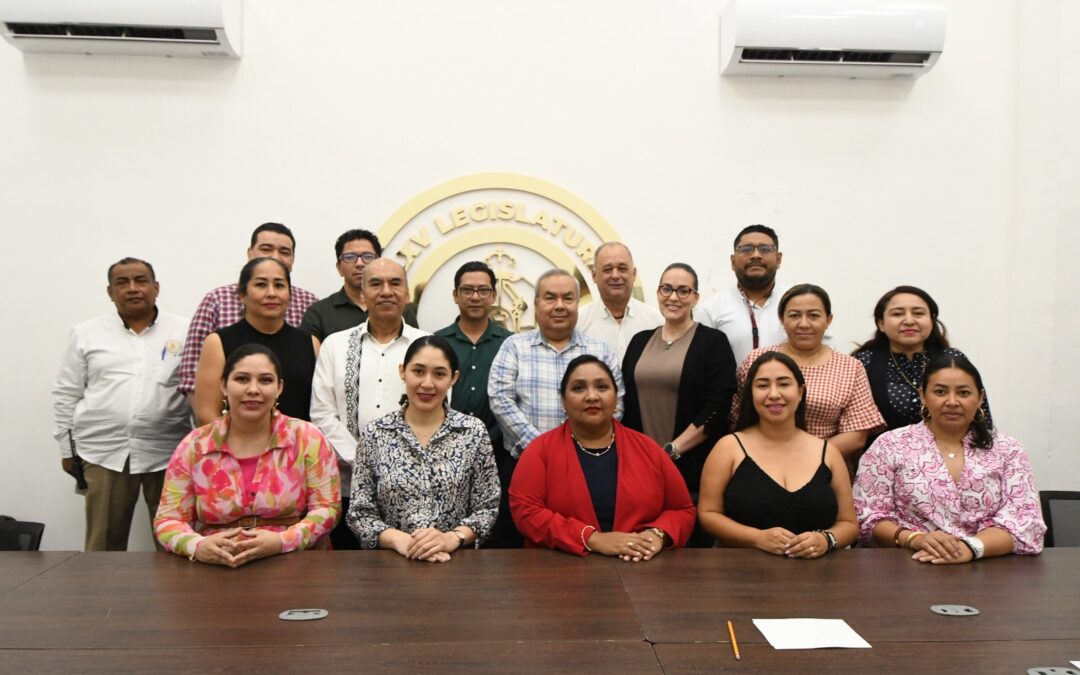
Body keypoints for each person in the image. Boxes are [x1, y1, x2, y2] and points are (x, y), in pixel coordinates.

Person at [155, 344, 340, 566]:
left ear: (279, 387)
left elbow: (328, 509)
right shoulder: (194, 445)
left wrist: (283, 541)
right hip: (216, 566)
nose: (253, 389)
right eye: (242, 379)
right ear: (223, 385)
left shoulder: (307, 439)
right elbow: (168, 519)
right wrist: (197, 545)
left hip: (295, 563)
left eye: (265, 380)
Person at [52, 257, 191, 551]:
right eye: (122, 282)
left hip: (169, 453)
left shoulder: (185, 330)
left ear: (156, 287)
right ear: (109, 291)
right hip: (104, 452)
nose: (132, 288)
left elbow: (198, 389)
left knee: (176, 545)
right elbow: (67, 393)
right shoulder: (86, 333)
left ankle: (178, 599)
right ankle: (100, 599)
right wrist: (68, 450)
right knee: (103, 547)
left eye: (141, 281)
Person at [854, 353, 1045, 562]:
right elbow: (868, 517)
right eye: (940, 392)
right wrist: (914, 539)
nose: (952, 401)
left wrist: (971, 547)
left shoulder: (1008, 450)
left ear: (980, 397)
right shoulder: (889, 445)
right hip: (907, 566)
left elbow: (1025, 521)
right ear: (923, 396)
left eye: (963, 393)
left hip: (988, 568)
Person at [509, 355, 696, 558]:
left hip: (640, 567)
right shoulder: (539, 451)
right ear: (563, 401)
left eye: (602, 387)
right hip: (562, 571)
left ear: (616, 399)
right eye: (579, 388)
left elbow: (681, 510)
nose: (592, 396)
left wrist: (656, 536)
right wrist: (593, 539)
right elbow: (526, 513)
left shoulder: (648, 449)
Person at [310, 258, 429, 549]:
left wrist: (394, 468)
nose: (386, 291)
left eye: (395, 283)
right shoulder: (335, 345)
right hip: (347, 487)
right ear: (362, 295)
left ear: (407, 294)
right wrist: (363, 461)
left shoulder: (428, 345)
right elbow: (322, 413)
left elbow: (436, 413)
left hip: (411, 490)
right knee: (350, 581)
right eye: (376, 284)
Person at [349, 336, 500, 561]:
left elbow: (488, 508)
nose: (427, 383)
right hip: (390, 564)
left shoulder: (473, 432)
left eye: (439, 374)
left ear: (453, 378)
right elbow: (359, 513)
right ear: (403, 372)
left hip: (457, 563)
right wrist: (401, 541)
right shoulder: (375, 434)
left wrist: (452, 538)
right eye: (418, 371)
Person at [698, 352, 858, 558]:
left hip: (818, 578)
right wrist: (756, 538)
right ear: (751, 393)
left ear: (800, 392)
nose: (773, 394)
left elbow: (849, 524)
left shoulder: (827, 452)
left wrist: (826, 539)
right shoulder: (729, 447)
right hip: (740, 576)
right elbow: (708, 515)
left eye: (783, 384)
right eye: (763, 385)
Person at [621, 263, 737, 500]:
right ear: (657, 293)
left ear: (695, 297)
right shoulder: (639, 341)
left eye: (683, 291)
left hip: (692, 469)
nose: (673, 297)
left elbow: (717, 408)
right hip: (639, 466)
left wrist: (671, 451)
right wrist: (640, 455)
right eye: (666, 289)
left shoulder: (713, 342)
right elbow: (625, 401)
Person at [735, 284, 884, 460]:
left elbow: (856, 435)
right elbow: (737, 417)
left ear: (828, 320)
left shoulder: (850, 367)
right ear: (782, 319)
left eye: (813, 315)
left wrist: (804, 458)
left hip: (824, 464)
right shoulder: (757, 359)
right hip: (759, 459)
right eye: (794, 315)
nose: (803, 324)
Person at [176, 223, 318, 402]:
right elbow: (191, 378)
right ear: (250, 253)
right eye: (266, 249)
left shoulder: (310, 303)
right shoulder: (216, 300)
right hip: (230, 421)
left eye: (284, 251)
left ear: (293, 259)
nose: (275, 256)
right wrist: (212, 425)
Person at [433, 261, 515, 546]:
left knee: (493, 530)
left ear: (493, 296)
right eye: (467, 290)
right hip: (444, 455)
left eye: (483, 290)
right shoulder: (437, 342)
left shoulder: (511, 344)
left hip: (497, 453)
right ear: (455, 295)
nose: (475, 297)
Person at [192, 257, 318, 424]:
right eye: (261, 285)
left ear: (289, 294)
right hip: (236, 447)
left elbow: (320, 409)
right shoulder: (218, 342)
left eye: (279, 285)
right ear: (242, 294)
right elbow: (206, 413)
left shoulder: (311, 343)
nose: (271, 293)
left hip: (300, 447)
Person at [853, 285, 991, 434]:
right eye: (898, 314)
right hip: (882, 454)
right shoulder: (863, 362)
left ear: (932, 320)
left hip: (950, 452)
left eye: (918, 313)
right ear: (881, 324)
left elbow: (980, 416)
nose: (909, 321)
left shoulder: (952, 359)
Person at [300, 228, 418, 341]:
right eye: (350, 257)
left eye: (367, 257)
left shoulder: (401, 308)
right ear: (339, 267)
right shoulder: (319, 313)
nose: (360, 264)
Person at [697, 224, 791, 365]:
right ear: (733, 261)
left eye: (765, 249)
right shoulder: (711, 309)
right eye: (746, 249)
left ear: (779, 259)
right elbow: (700, 363)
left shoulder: (798, 302)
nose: (756, 255)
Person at [577, 242, 662, 360]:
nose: (615, 275)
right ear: (594, 275)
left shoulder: (656, 322)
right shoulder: (578, 323)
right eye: (607, 269)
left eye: (622, 269)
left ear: (634, 274)